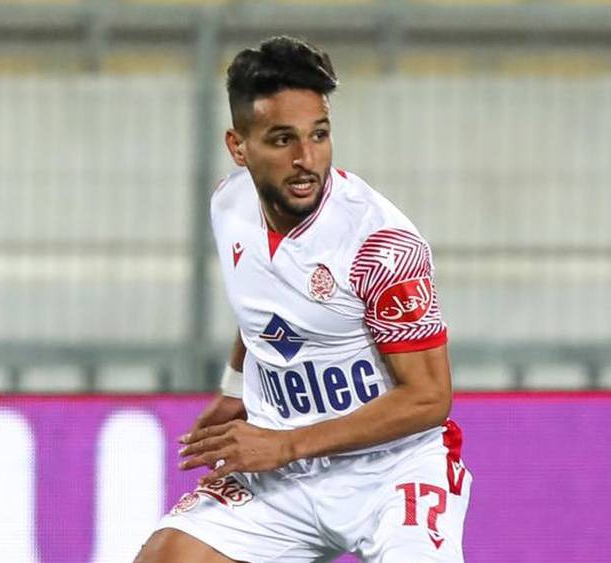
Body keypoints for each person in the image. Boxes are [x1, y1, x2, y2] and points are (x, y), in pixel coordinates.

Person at [136, 36, 471, 562]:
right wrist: (235, 390)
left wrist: (282, 445)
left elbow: (429, 399)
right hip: (283, 472)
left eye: (319, 135)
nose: (306, 159)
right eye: (282, 140)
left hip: (390, 470)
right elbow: (263, 309)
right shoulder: (229, 206)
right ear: (238, 147)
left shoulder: (380, 247)